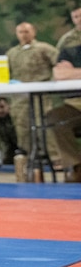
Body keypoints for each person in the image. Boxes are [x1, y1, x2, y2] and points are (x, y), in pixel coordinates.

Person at [5, 22, 58, 159]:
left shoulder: (44, 48)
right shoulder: (12, 53)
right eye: (20, 32)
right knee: (22, 126)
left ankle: (54, 157)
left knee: (44, 125)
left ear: (33, 32)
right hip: (19, 96)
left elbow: (59, 64)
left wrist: (52, 83)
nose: (24, 35)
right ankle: (28, 157)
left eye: (27, 31)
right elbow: (5, 73)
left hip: (41, 93)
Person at [45, 49, 81, 182]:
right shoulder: (70, 51)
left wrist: (72, 72)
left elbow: (66, 74)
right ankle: (74, 166)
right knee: (56, 118)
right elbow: (59, 74)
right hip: (74, 104)